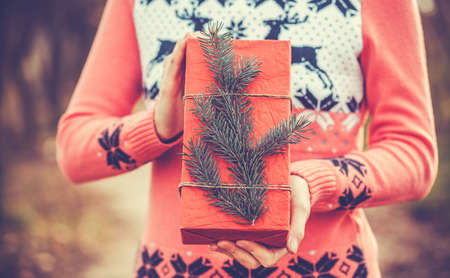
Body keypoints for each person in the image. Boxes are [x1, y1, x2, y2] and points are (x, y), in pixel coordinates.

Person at [56, 0, 438, 277]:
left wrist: (312, 184)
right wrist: (158, 127)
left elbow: (414, 154)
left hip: (328, 269)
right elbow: (74, 150)